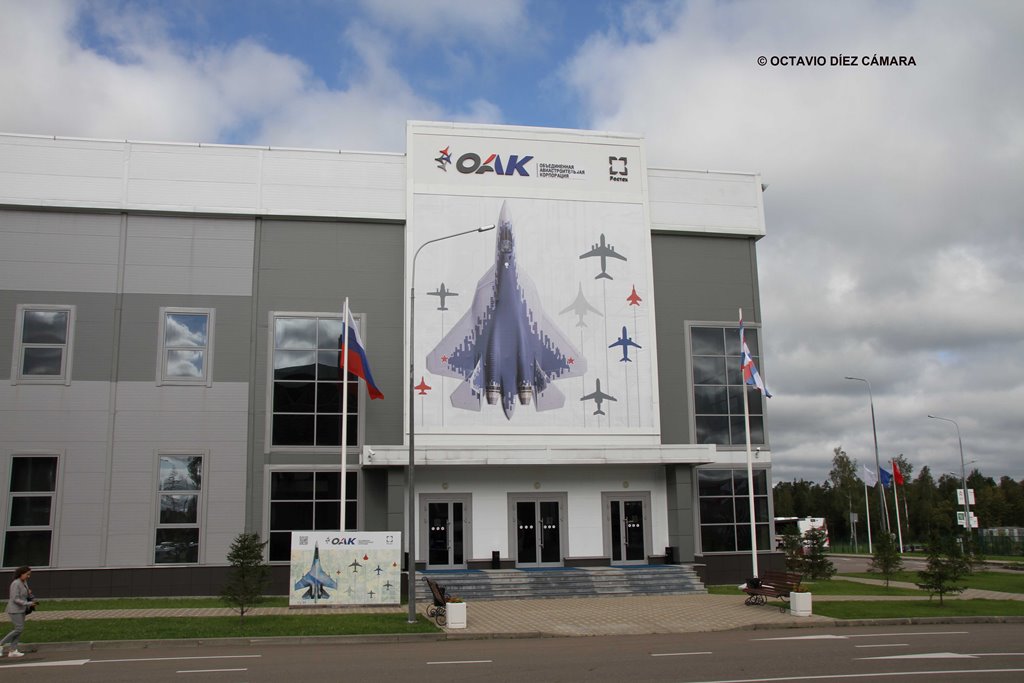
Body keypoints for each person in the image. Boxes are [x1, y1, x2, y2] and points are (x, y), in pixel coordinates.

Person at [1, 566, 36, 658]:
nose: (28, 576)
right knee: (18, 629)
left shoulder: (24, 582)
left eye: (29, 574)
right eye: (27, 574)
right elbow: (15, 598)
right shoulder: (15, 583)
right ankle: (1, 644)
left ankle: (13, 650)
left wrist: (29, 594)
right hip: (14, 609)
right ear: (21, 574)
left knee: (19, 630)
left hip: (21, 609)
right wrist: (28, 603)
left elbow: (24, 594)